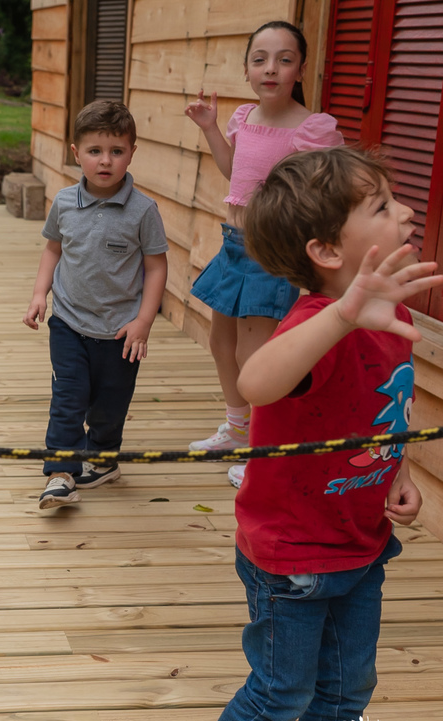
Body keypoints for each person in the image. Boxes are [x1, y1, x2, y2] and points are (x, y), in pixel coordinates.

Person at [183, 147, 440, 721]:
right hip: (291, 556)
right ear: (327, 250)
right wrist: (344, 314)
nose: (407, 209)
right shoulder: (311, 327)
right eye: (382, 204)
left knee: (348, 686)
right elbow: (257, 381)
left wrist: (398, 473)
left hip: (360, 544)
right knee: (281, 690)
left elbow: (387, 410)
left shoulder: (395, 314)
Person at [185, 21, 344, 488]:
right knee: (221, 344)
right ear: (247, 70)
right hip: (233, 245)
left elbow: (324, 195)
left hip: (271, 256)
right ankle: (237, 429)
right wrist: (212, 129)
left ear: (301, 69)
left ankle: (264, 449)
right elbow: (233, 170)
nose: (271, 68)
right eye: (260, 59)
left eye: (284, 59)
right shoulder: (244, 118)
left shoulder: (312, 129)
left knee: (258, 358)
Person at [23, 99, 169, 509]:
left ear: (132, 153)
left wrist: (144, 321)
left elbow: (156, 268)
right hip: (69, 322)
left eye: (116, 151)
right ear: (76, 154)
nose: (105, 161)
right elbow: (53, 249)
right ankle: (61, 473)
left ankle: (104, 461)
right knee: (68, 398)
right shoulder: (65, 202)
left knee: (109, 404)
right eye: (94, 151)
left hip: (122, 331)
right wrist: (40, 294)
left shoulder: (143, 212)